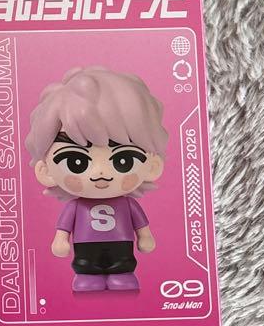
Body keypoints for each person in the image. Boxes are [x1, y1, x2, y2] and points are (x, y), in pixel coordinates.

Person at [25, 66, 167, 292]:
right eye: (76, 161)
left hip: (121, 244)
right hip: (86, 246)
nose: (100, 172)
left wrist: (145, 237)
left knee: (123, 262)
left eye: (123, 160)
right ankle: (87, 277)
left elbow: (141, 224)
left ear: (152, 166)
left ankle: (122, 274)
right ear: (46, 171)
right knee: (85, 264)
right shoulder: (77, 206)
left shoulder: (127, 205)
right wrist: (60, 240)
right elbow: (64, 228)